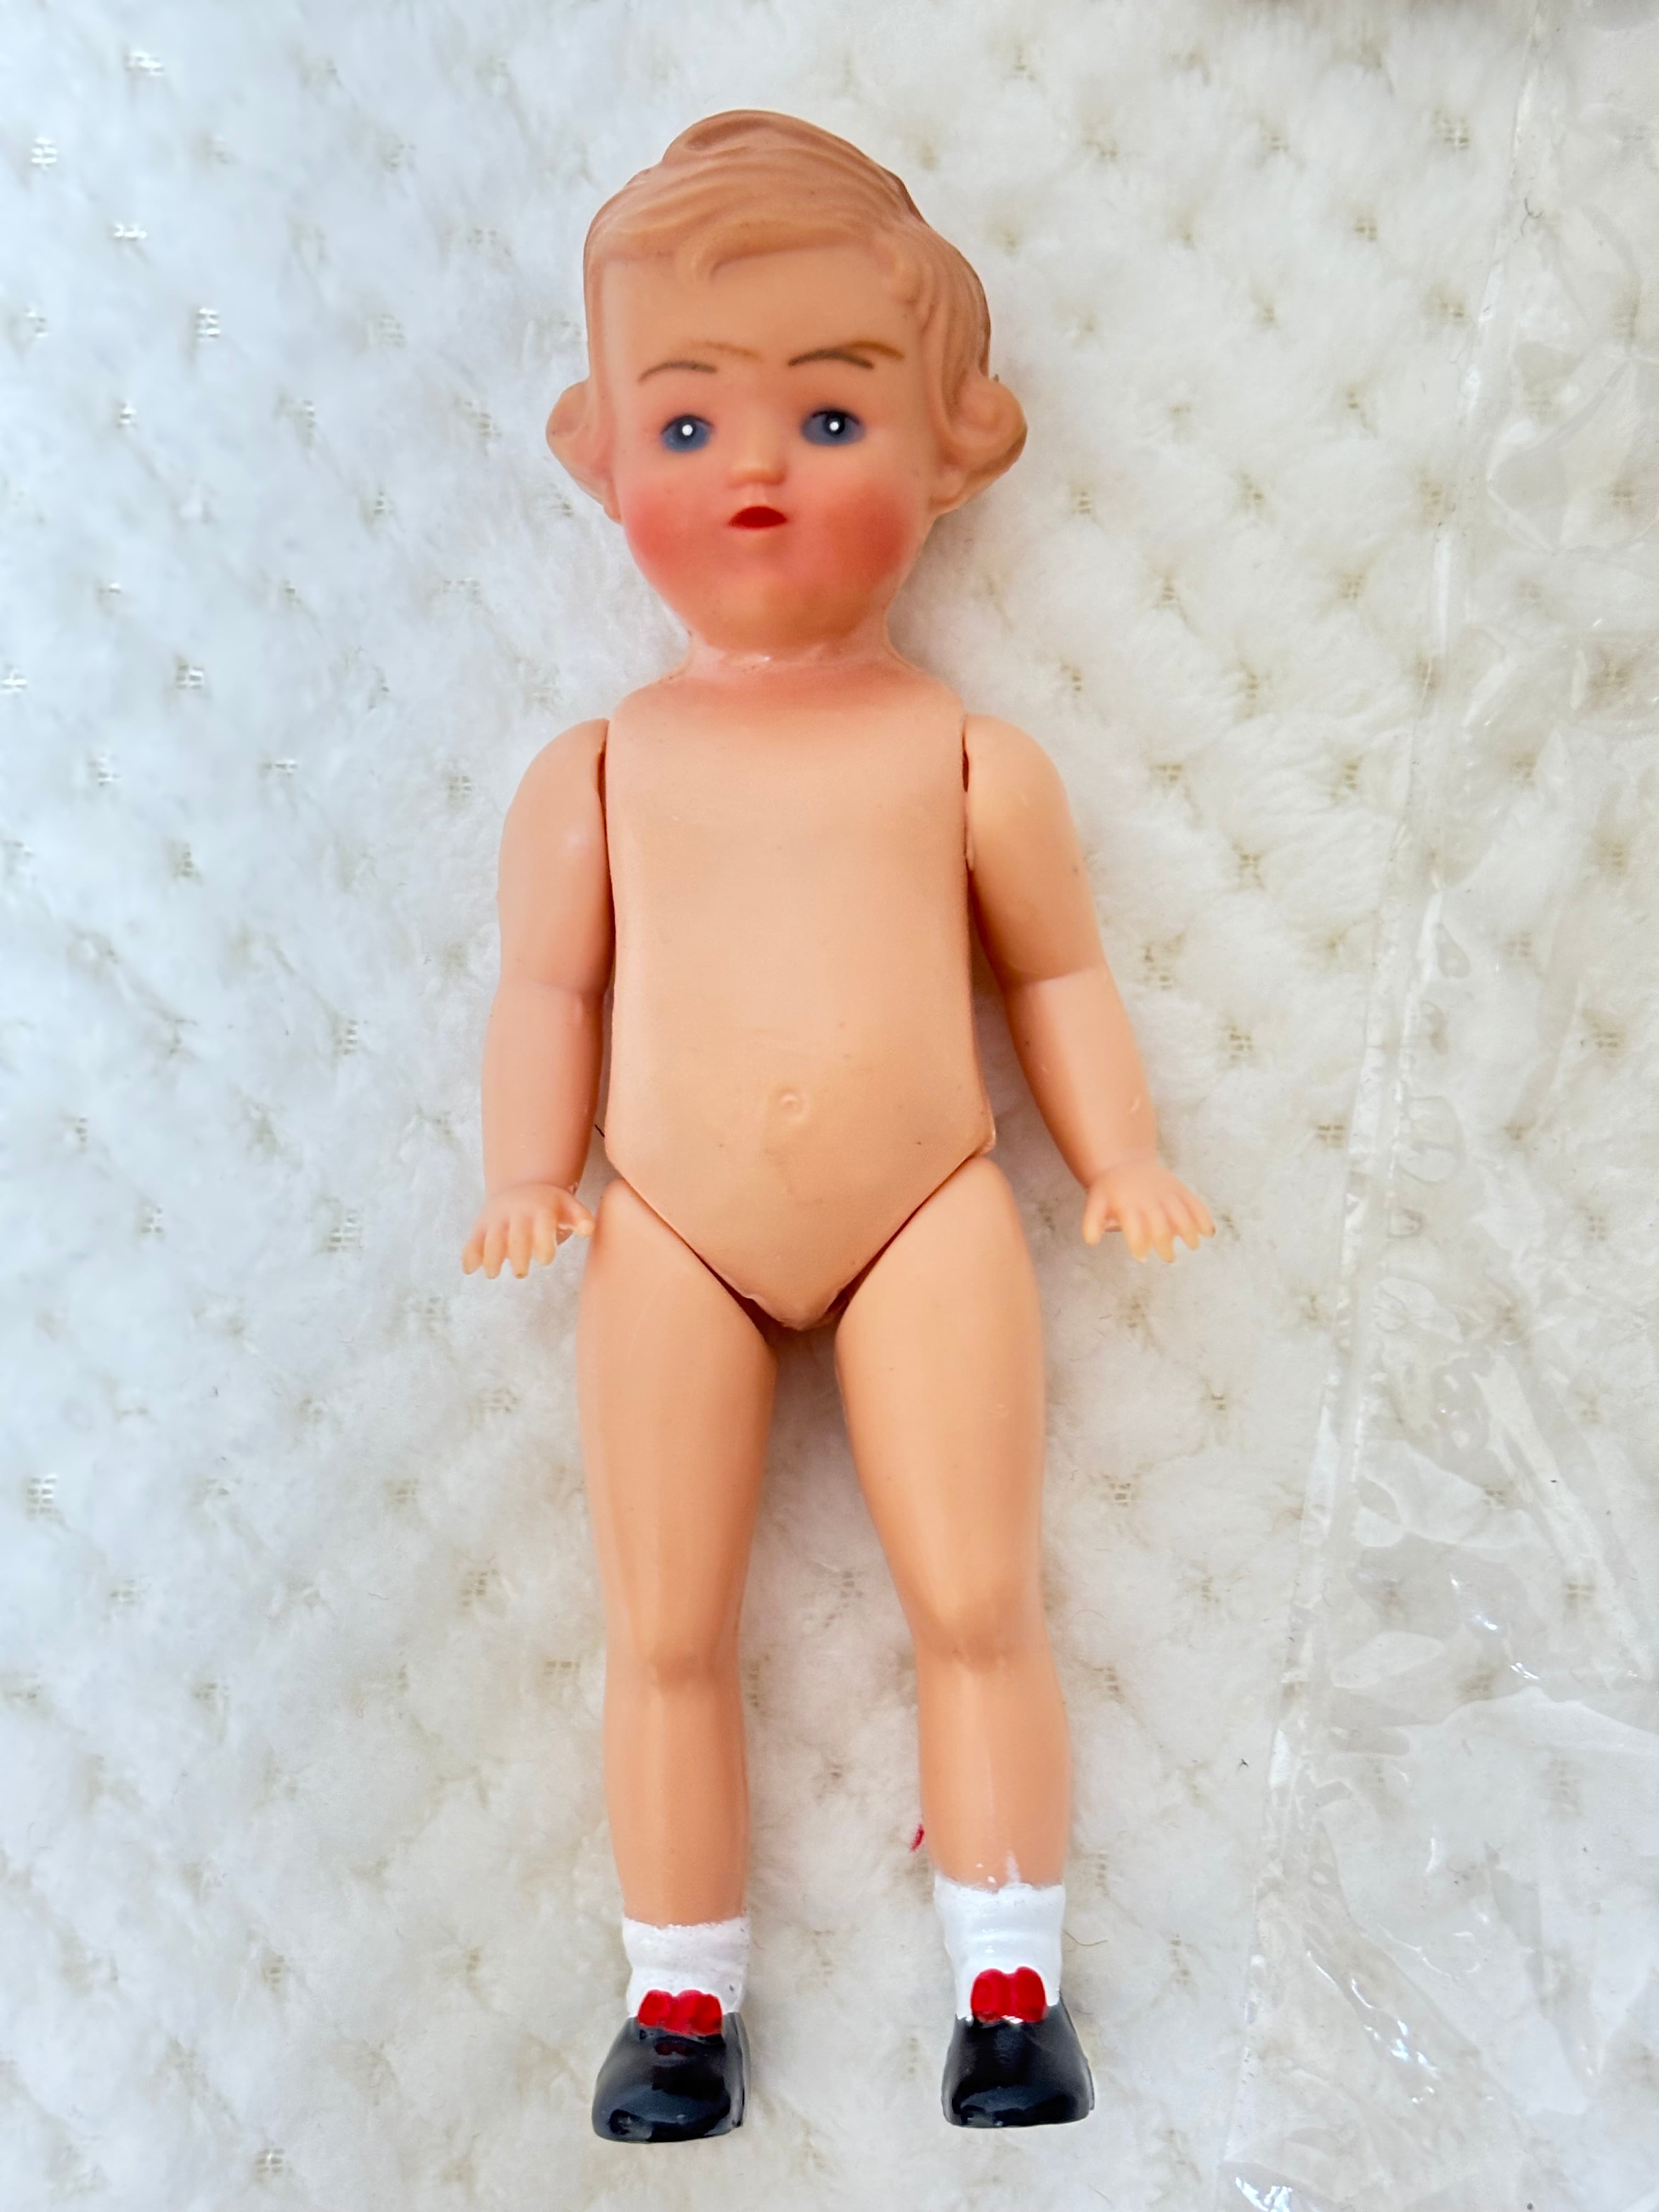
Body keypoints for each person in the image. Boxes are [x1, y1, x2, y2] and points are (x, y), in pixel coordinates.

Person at [462, 109, 1213, 2138]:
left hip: (926, 1210)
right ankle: (677, 2005)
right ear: (599, 451)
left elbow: (1058, 978)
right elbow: (548, 992)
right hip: (670, 1224)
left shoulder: (971, 759)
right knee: (665, 1626)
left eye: (830, 413)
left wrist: (1120, 1153)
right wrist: (528, 1172)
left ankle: (1010, 1983)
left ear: (958, 445)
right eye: (687, 423)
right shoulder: (597, 770)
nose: (759, 468)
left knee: (977, 1599)